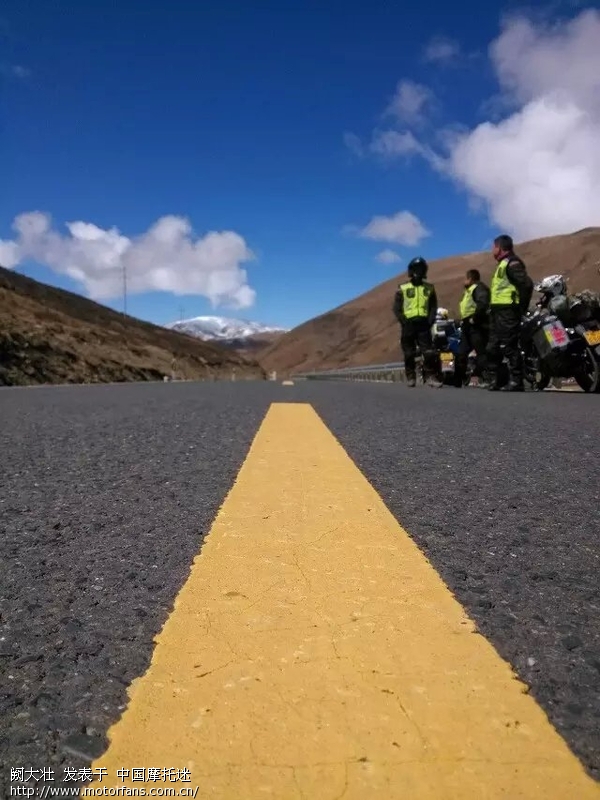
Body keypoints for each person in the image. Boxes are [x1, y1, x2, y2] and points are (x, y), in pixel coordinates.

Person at [486, 234, 533, 391]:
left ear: (500, 248)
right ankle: (498, 379)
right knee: (492, 347)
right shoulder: (502, 265)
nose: (492, 250)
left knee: (509, 346)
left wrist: (521, 308)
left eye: (493, 246)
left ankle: (517, 380)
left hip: (508, 311)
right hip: (496, 312)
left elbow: (526, 285)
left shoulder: (513, 263)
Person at [393, 256, 441, 387]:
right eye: (416, 269)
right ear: (411, 270)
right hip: (408, 324)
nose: (418, 272)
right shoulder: (402, 288)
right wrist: (404, 321)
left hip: (424, 324)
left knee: (429, 352)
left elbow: (433, 306)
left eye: (421, 269)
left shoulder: (430, 288)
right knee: (409, 353)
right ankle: (411, 376)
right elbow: (396, 308)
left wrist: (430, 320)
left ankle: (431, 376)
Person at [456, 269, 490, 387]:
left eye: (466, 278)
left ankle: (486, 377)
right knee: (461, 352)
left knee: (481, 351)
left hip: (476, 324)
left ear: (470, 279)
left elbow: (482, 303)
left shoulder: (478, 288)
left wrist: (475, 318)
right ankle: (459, 378)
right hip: (466, 325)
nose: (464, 281)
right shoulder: (468, 291)